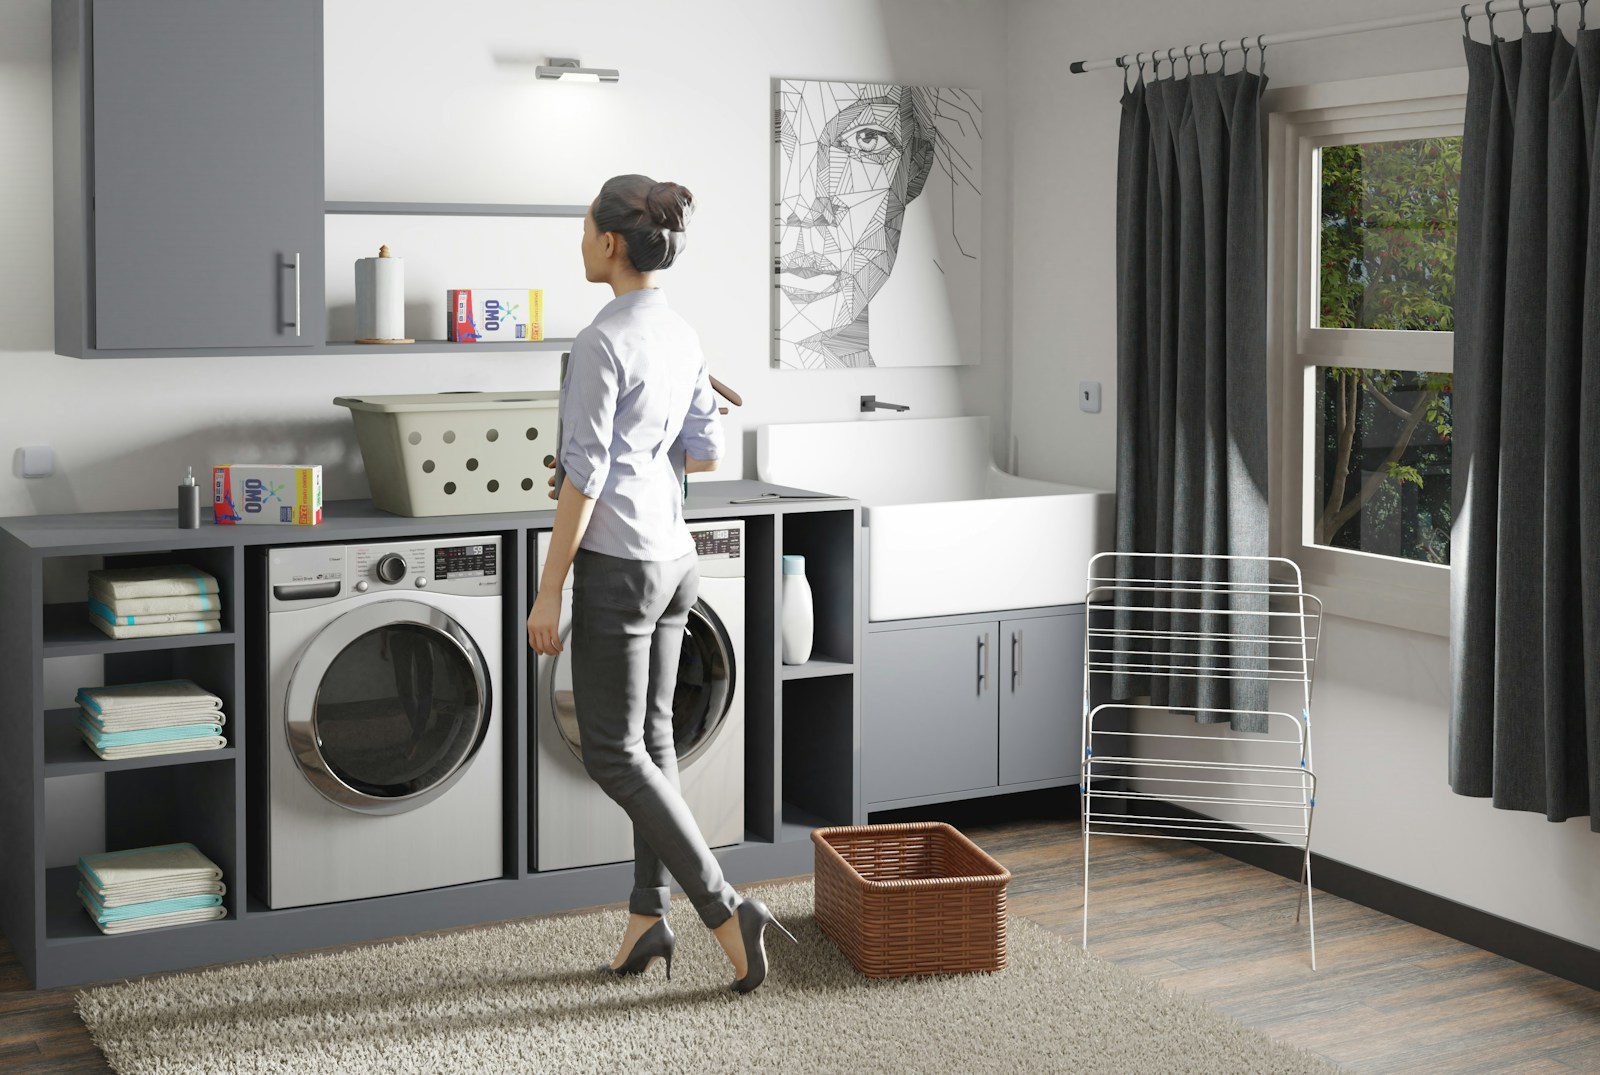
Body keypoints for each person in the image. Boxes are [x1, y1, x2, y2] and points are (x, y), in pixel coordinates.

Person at [526, 174, 793, 994]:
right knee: (654, 739)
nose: (579, 245)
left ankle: (724, 908)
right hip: (678, 560)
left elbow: (583, 473)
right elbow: (701, 453)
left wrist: (548, 590)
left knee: (611, 751)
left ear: (611, 243)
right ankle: (649, 915)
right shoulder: (680, 332)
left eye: (583, 233)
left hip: (622, 566)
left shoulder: (601, 341)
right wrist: (683, 401)